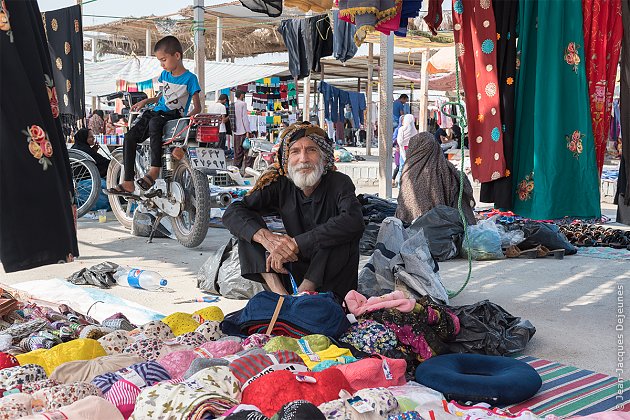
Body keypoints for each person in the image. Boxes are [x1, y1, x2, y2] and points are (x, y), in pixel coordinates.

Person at [222, 122, 365, 298]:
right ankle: (281, 297)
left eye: (311, 150)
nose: (303, 159)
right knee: (249, 230)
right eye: (295, 151)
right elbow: (233, 211)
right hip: (290, 270)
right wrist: (269, 240)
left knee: (341, 231)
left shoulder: (339, 182)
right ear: (286, 160)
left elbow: (354, 221)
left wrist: (297, 243)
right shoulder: (281, 184)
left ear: (323, 158)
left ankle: (304, 293)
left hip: (331, 279)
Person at [105, 36, 201, 196]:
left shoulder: (191, 79)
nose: (162, 64)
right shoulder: (164, 75)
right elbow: (160, 97)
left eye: (163, 60)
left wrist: (185, 121)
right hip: (156, 111)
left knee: (155, 123)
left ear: (177, 56)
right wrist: (145, 101)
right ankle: (128, 182)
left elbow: (197, 107)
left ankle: (154, 171)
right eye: (160, 61)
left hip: (173, 116)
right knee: (129, 137)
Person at [396, 132, 476, 225]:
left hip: (406, 229)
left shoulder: (407, 171)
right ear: (435, 147)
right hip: (440, 232)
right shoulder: (446, 171)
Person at [232, 90, 251, 172]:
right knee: (247, 151)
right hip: (243, 130)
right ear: (241, 95)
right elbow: (244, 118)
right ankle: (247, 170)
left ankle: (236, 169)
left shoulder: (232, 105)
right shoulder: (243, 104)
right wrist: (248, 131)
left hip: (236, 131)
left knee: (237, 152)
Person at [396, 114, 418, 184]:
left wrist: (401, 146)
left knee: (402, 167)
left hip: (403, 149)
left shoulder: (401, 129)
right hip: (412, 150)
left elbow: (400, 141)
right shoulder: (415, 130)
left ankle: (400, 185)